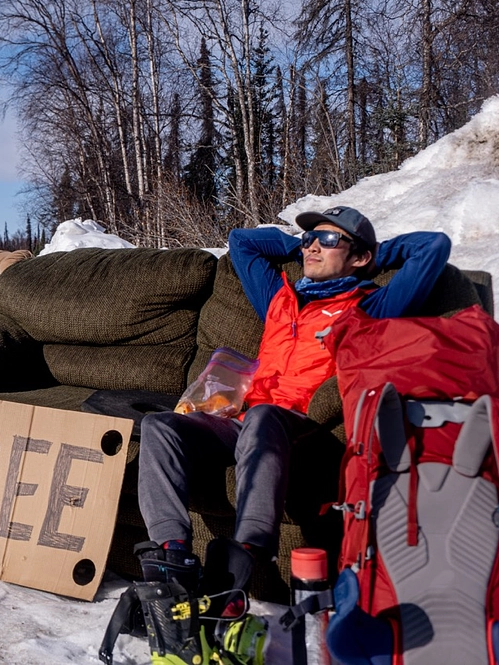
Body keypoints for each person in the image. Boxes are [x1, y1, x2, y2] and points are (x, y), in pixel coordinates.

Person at [136, 207, 451, 597]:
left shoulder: (370, 308)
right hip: (245, 422)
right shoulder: (279, 299)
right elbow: (241, 242)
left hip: (302, 430)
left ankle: (248, 550)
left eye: (330, 240)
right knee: (160, 425)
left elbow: (433, 247)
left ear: (359, 256)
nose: (313, 247)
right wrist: (299, 245)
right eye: (309, 239)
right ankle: (174, 554)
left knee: (265, 416)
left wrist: (375, 254)